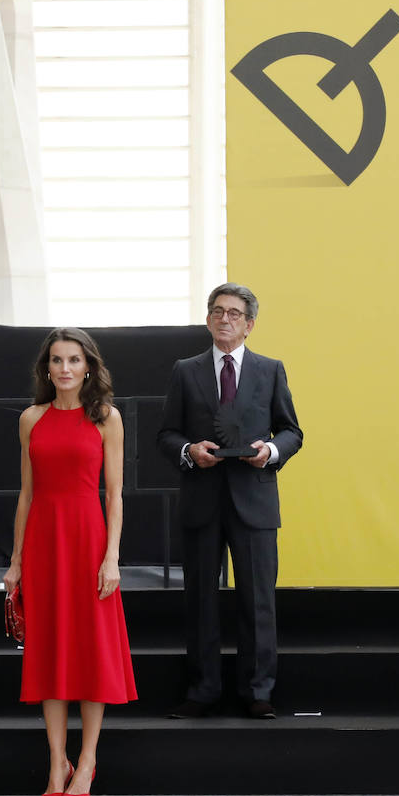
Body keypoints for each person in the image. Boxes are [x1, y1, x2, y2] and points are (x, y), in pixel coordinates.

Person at [2, 328, 137, 796]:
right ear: (46, 368)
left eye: (73, 360)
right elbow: (26, 493)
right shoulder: (30, 419)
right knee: (50, 651)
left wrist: (112, 557)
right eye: (56, 360)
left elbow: (116, 493)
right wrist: (16, 561)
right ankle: (56, 761)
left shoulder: (107, 419)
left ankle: (88, 761)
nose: (64, 368)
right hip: (43, 542)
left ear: (88, 366)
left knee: (91, 651)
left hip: (88, 542)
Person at [157, 283, 303, 720]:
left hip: (254, 501)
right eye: (218, 311)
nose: (225, 319)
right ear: (207, 319)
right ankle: (203, 690)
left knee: (258, 601)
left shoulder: (271, 370)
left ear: (249, 324)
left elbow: (292, 431)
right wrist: (188, 452)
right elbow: (166, 434)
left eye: (235, 313)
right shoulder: (185, 370)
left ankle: (258, 690)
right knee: (200, 599)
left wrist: (270, 453)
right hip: (202, 500)